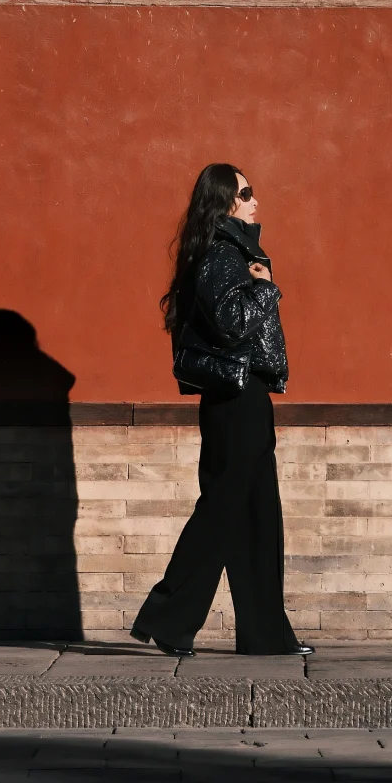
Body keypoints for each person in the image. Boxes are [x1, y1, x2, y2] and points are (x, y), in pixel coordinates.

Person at [131, 163, 314, 658]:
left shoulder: (233, 252)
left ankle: (265, 635)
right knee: (223, 510)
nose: (256, 201)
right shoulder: (222, 254)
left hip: (245, 395)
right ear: (225, 201)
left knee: (257, 514)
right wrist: (266, 287)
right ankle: (167, 617)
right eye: (246, 192)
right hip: (235, 399)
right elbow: (233, 323)